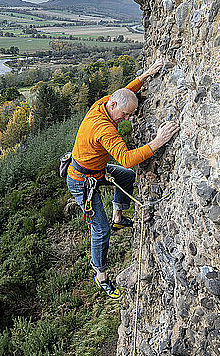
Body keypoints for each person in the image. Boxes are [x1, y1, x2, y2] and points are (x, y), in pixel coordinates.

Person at [66, 59, 179, 299]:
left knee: (126, 177)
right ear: (115, 106)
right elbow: (127, 158)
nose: (126, 119)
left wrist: (145, 76)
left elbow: (125, 93)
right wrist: (158, 141)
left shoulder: (105, 103)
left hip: (94, 170)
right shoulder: (105, 128)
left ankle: (119, 215)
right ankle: (100, 275)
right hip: (81, 181)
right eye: (125, 115)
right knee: (100, 230)